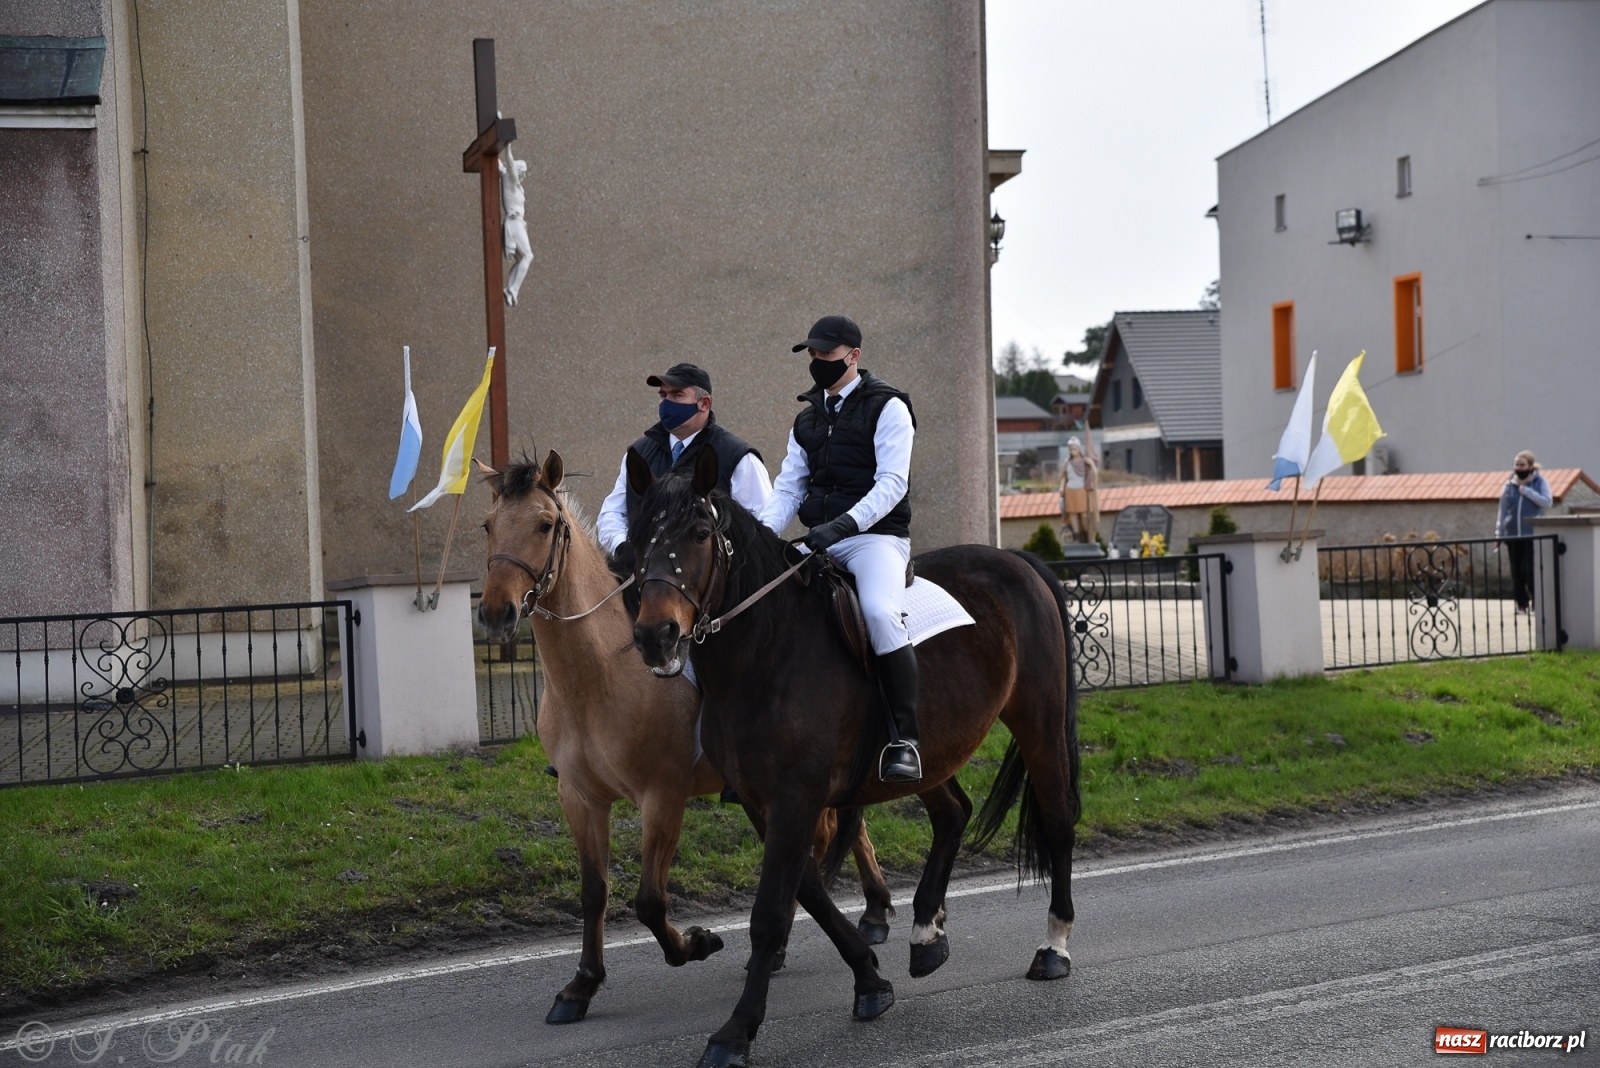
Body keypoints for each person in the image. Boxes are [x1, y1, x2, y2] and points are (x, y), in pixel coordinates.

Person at [757, 315, 922, 783]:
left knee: (877, 613)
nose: (816, 363)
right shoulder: (807, 417)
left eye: (825, 355)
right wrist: (762, 537)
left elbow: (892, 484)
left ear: (854, 356)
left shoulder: (888, 407)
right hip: (819, 539)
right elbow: (788, 489)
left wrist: (845, 524)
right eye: (811, 355)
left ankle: (905, 739)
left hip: (875, 538)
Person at [598, 363, 769, 569]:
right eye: (663, 395)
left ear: (704, 404)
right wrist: (621, 545)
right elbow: (612, 513)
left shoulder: (737, 456)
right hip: (644, 583)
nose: (667, 403)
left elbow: (761, 524)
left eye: (677, 396)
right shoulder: (638, 454)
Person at [1494, 449, 1553, 614]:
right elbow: (1503, 510)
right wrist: (1498, 533)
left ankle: (1537, 600)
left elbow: (1547, 502)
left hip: (1531, 533)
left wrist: (1526, 491)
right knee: (1515, 571)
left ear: (1530, 466)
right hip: (1512, 533)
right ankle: (1521, 604)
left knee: (1527, 568)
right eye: (1516, 465)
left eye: (1522, 464)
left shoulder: (1539, 482)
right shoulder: (1509, 485)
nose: (1519, 468)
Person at [500, 146, 532, 306]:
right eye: (522, 171)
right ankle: (514, 289)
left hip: (520, 222)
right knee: (528, 256)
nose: (523, 175)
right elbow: (510, 164)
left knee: (521, 259)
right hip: (514, 222)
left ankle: (510, 288)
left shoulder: (518, 186)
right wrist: (508, 146)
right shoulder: (510, 179)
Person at [1059, 437, 1098, 544]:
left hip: (1082, 490)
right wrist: (1061, 488)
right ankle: (1076, 536)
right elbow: (1063, 477)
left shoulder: (1084, 461)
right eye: (1071, 449)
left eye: (1074, 448)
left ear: (1079, 448)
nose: (1073, 451)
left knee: (1084, 515)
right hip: (1070, 490)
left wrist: (1091, 464)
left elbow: (1094, 473)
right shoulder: (1067, 462)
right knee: (1073, 514)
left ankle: (1088, 535)